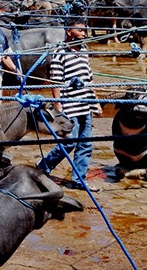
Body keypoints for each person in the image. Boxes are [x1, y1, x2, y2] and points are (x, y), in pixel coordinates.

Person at [36, 17, 102, 191]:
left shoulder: (84, 51)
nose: (84, 33)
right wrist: (59, 107)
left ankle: (79, 180)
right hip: (69, 106)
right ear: (69, 31)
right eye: (80, 30)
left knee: (85, 144)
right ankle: (43, 167)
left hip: (84, 105)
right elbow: (56, 81)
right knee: (69, 142)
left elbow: (90, 79)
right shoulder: (60, 53)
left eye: (84, 30)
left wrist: (96, 102)